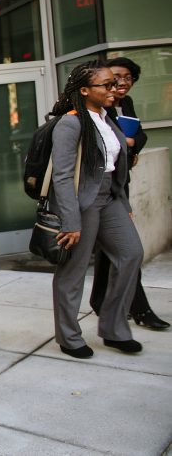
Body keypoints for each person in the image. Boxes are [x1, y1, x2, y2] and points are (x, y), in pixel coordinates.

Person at [48, 60, 143, 359]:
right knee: (73, 271)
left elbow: (116, 167)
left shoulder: (106, 117)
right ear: (85, 90)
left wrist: (123, 203)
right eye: (106, 85)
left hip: (110, 198)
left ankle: (114, 329)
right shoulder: (71, 122)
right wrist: (70, 220)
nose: (114, 89)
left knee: (131, 254)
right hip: (81, 202)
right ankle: (69, 336)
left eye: (114, 84)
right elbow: (62, 175)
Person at [89, 57, 168, 330]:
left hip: (119, 188)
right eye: (117, 77)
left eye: (128, 78)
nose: (122, 83)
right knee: (125, 250)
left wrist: (132, 147)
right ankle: (141, 309)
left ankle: (100, 300)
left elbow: (140, 135)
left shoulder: (128, 105)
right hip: (100, 189)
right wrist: (126, 142)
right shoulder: (100, 106)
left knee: (112, 250)